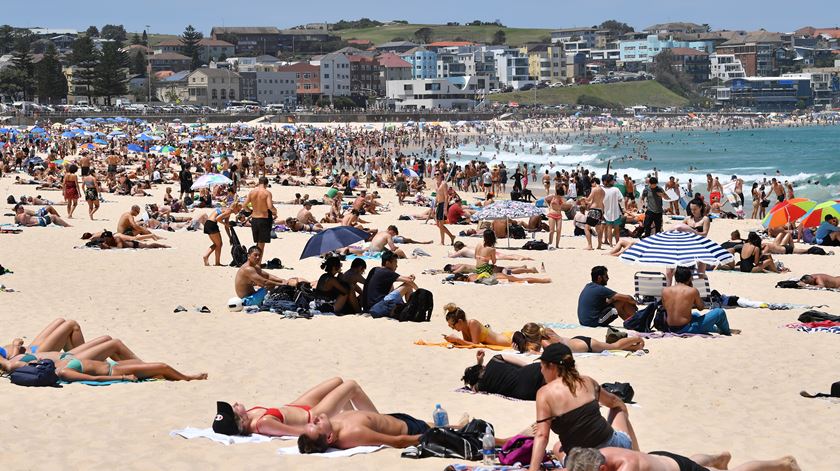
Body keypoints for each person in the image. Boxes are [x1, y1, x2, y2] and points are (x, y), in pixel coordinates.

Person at [529, 343, 638, 471]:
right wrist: (623, 410)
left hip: (584, 463)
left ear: (552, 367)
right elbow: (614, 401)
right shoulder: (587, 381)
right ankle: (637, 455)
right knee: (618, 408)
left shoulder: (544, 393)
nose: (541, 371)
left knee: (558, 447)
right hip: (614, 448)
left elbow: (542, 436)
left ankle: (636, 455)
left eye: (542, 366)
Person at [212, 378, 378, 437]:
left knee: (338, 381)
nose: (234, 404)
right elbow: (296, 432)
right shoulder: (263, 424)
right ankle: (379, 421)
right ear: (240, 421)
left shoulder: (247, 416)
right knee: (351, 386)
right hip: (311, 414)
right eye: (233, 409)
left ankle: (351, 418)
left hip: (297, 406)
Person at [298, 408, 444, 453]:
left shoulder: (332, 425)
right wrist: (429, 436)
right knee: (441, 429)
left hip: (392, 418)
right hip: (409, 428)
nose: (315, 419)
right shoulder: (352, 434)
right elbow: (397, 442)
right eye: (316, 425)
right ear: (329, 438)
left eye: (312, 422)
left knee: (434, 424)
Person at [564, 447, 801, 471]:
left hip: (678, 468)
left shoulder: (627, 468)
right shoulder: (592, 455)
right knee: (690, 462)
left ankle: (783, 464)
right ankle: (717, 458)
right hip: (664, 459)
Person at [662, 267, 738, 335]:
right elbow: (701, 307)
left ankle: (716, 329)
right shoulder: (692, 291)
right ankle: (727, 331)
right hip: (686, 328)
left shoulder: (665, 291)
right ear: (689, 278)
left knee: (696, 315)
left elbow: (666, 307)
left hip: (670, 327)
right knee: (719, 312)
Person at [235, 246, 306, 306]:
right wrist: (281, 284)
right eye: (255, 255)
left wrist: (282, 280)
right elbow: (265, 282)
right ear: (248, 256)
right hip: (247, 300)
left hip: (254, 294)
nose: (258, 257)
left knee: (275, 285)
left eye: (259, 255)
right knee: (272, 286)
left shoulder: (255, 266)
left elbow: (267, 276)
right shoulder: (248, 269)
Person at [461, 350, 545, 400]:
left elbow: (473, 389)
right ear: (481, 367)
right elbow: (524, 365)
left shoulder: (481, 385)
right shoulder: (496, 359)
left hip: (526, 393)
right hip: (530, 373)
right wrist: (480, 362)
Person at [513, 323, 644, 354]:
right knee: (613, 348)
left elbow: (546, 355)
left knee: (613, 347)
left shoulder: (546, 343)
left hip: (587, 345)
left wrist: (531, 352)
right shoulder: (546, 331)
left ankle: (636, 339)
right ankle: (636, 346)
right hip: (577, 340)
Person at [363, 250, 417, 318]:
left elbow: (405, 278)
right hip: (378, 307)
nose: (397, 266)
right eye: (395, 263)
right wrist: (419, 291)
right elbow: (409, 281)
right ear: (388, 263)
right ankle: (411, 309)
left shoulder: (375, 270)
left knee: (391, 284)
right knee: (408, 286)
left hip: (368, 308)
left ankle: (407, 307)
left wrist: (409, 277)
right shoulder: (386, 272)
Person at [443, 303, 513, 346]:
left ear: (460, 321)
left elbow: (475, 344)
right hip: (500, 337)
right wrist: (453, 340)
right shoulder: (464, 328)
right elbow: (467, 343)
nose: (452, 328)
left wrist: (457, 340)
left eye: (453, 325)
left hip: (507, 341)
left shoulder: (473, 323)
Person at [204, 202, 241, 266]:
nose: (238, 212)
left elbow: (226, 226)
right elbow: (217, 219)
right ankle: (209, 258)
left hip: (208, 223)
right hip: (212, 224)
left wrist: (230, 237)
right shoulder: (229, 211)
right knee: (219, 244)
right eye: (238, 210)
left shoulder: (225, 209)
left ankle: (211, 259)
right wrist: (225, 224)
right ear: (235, 208)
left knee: (217, 244)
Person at [244, 176, 276, 253]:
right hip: (264, 219)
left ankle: (255, 263)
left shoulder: (252, 192)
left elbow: (244, 205)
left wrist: (251, 211)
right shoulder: (267, 193)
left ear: (259, 182)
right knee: (261, 245)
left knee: (258, 243)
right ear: (266, 184)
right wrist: (275, 211)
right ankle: (257, 264)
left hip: (254, 219)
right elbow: (270, 206)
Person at [434, 171, 456, 245]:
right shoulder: (436, 184)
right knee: (438, 224)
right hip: (439, 204)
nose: (436, 176)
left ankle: (442, 241)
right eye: (435, 174)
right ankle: (451, 236)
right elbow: (437, 196)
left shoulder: (444, 184)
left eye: (438, 174)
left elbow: (446, 196)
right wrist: (434, 205)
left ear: (441, 175)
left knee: (441, 223)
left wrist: (445, 209)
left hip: (443, 204)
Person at [601, 175, 624, 246]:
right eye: (613, 180)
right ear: (610, 181)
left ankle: (610, 243)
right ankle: (617, 243)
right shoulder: (616, 189)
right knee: (617, 229)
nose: (614, 181)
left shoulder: (602, 190)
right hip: (616, 211)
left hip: (606, 211)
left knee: (609, 228)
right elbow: (620, 199)